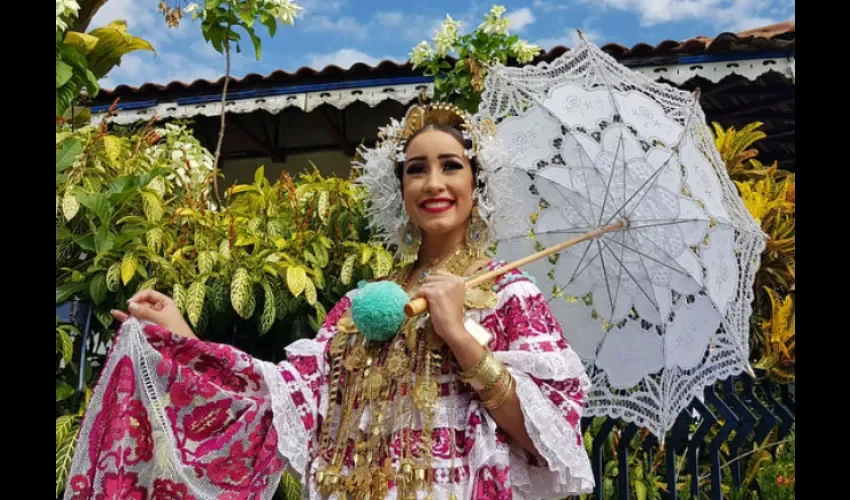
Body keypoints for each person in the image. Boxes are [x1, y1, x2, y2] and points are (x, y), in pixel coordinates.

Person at [64, 102, 595, 500]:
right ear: (399, 190)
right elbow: (290, 403)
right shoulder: (361, 306)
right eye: (416, 168)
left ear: (479, 184)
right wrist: (182, 341)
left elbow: (550, 438)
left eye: (451, 165)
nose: (434, 182)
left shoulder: (507, 293)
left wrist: (458, 335)